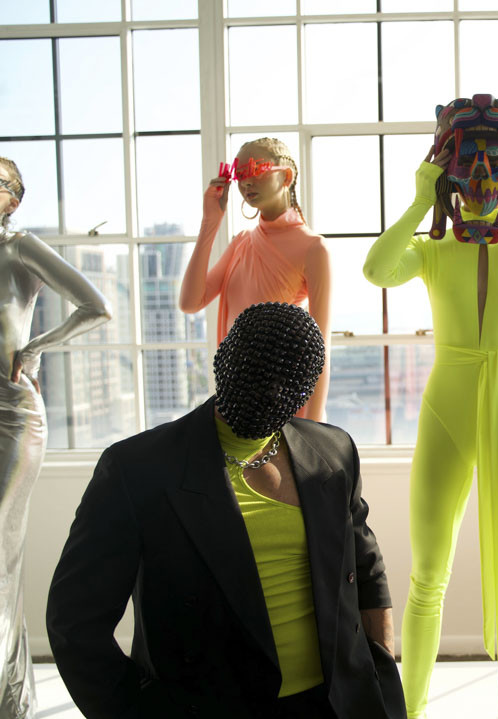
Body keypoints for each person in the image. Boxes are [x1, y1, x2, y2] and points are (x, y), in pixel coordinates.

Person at [46, 302, 404, 719]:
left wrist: (381, 681)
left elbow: (367, 573)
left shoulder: (334, 451)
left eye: (285, 380)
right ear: (225, 360)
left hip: (338, 704)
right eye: (258, 373)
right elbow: (75, 623)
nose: (270, 391)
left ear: (305, 388)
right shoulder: (137, 469)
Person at [363, 94, 498, 719]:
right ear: (448, 175)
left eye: (493, 171)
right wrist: (418, 200)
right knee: (427, 577)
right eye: (466, 171)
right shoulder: (431, 250)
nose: (480, 183)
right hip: (448, 409)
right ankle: (412, 711)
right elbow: (376, 269)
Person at [0, 156, 112, 719]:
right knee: (4, 562)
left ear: (13, 200)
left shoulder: (21, 247)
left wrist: (36, 347)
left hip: (11, 415)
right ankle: (11, 698)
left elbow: (98, 307)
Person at [179, 137, 332, 421]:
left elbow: (320, 348)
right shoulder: (242, 242)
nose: (247, 182)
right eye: (240, 174)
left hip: (285, 398)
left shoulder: (313, 248)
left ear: (286, 176)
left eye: (256, 170)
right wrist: (210, 221)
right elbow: (190, 302)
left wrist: (313, 429)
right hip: (236, 397)